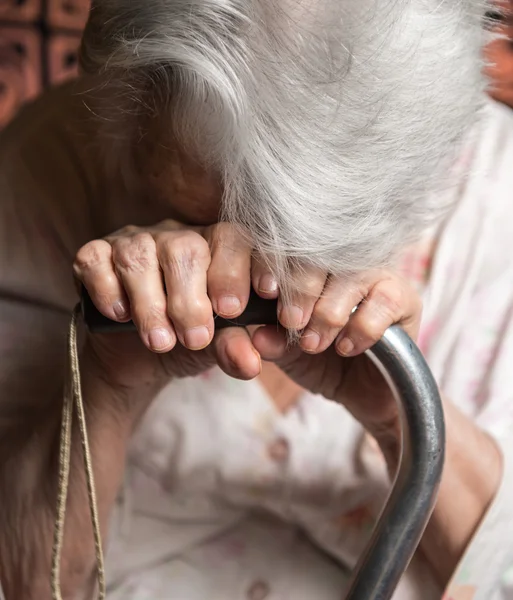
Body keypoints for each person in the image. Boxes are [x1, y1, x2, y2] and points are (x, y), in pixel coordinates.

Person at [0, 1, 511, 599]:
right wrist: (106, 385)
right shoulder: (57, 157)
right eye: (203, 215)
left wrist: (404, 419)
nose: (246, 272)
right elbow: (27, 582)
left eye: (317, 244)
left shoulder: (498, 194)